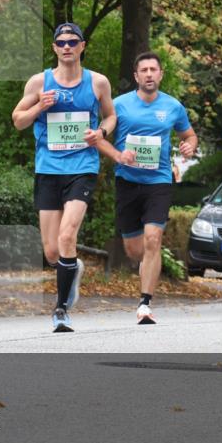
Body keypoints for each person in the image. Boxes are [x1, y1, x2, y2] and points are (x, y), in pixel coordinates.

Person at [12, 22, 116, 332]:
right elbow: (17, 120)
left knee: (67, 235)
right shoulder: (38, 82)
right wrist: (38, 108)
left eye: (73, 41)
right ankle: (72, 268)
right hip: (48, 169)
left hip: (82, 168)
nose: (67, 46)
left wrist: (100, 132)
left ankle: (60, 310)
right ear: (55, 48)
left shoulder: (97, 83)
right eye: (61, 42)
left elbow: (111, 115)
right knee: (52, 250)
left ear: (83, 46)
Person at [93, 52, 198, 324]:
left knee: (153, 239)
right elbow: (98, 137)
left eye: (154, 69)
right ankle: (148, 263)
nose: (149, 74)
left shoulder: (173, 107)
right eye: (144, 70)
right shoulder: (119, 105)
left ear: (161, 74)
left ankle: (145, 304)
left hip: (158, 182)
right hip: (127, 181)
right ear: (137, 76)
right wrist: (118, 156)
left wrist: (190, 146)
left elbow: (189, 135)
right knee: (134, 250)